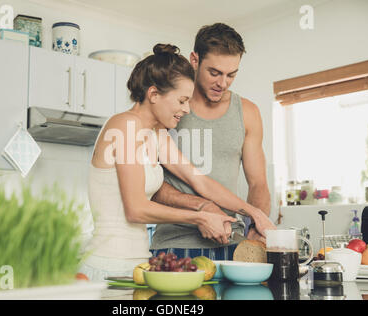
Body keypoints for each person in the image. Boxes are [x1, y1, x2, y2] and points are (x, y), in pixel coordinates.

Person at [80, 43, 274, 280]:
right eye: (182, 101)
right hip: (106, 265)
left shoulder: (156, 133)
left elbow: (199, 180)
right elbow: (136, 209)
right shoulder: (125, 126)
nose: (186, 109)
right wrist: (199, 217)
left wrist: (255, 213)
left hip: (139, 266)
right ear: (153, 94)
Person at [150, 23, 275, 260]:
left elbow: (258, 183)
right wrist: (202, 207)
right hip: (174, 244)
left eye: (231, 75)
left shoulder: (247, 112)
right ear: (194, 60)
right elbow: (149, 181)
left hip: (234, 244)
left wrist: (255, 228)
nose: (223, 83)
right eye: (215, 73)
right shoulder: (169, 108)